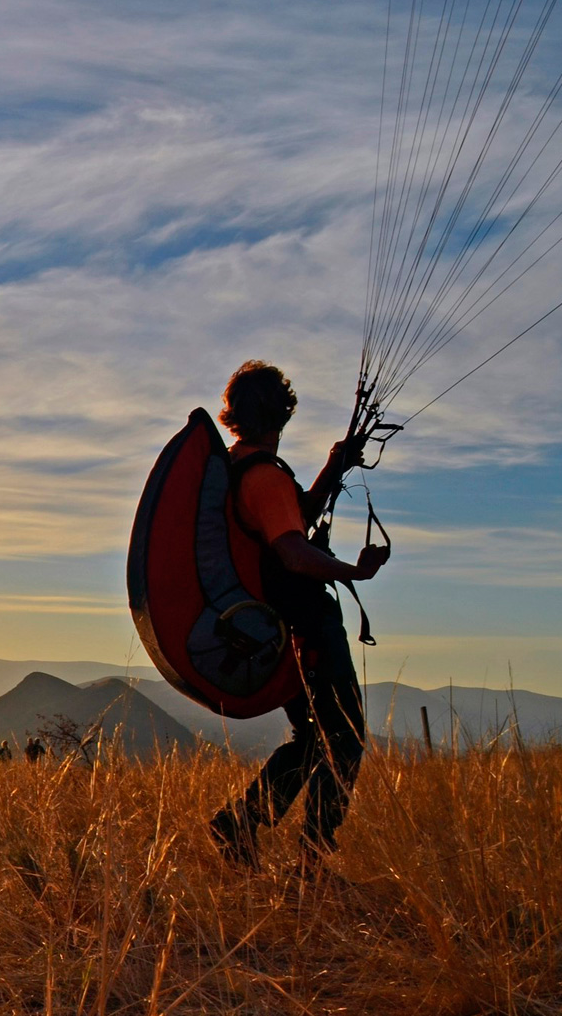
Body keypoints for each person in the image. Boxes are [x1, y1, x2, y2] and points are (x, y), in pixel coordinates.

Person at [207, 361, 390, 870]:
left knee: (314, 738)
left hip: (276, 627)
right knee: (345, 738)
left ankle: (241, 823)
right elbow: (292, 551)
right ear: (282, 413)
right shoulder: (264, 476)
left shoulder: (239, 466)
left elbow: (289, 520)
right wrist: (354, 570)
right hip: (305, 625)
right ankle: (310, 863)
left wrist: (333, 467)